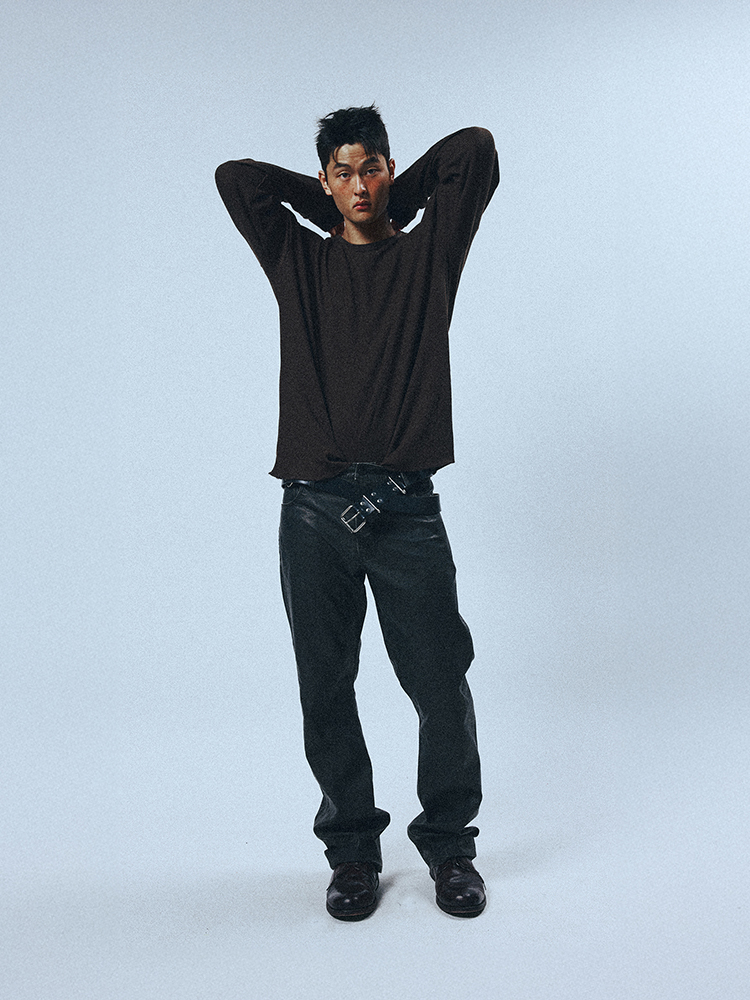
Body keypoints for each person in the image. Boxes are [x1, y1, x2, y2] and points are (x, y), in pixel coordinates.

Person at [215, 105, 499, 920]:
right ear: (324, 182)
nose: (360, 185)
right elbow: (237, 181)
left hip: (405, 507)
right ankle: (351, 854)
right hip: (315, 509)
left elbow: (475, 151)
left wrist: (387, 199)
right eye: (342, 173)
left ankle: (449, 847)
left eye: (371, 168)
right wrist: (331, 202)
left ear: (390, 169)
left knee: (439, 681)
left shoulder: (429, 257)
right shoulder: (299, 261)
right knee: (326, 687)